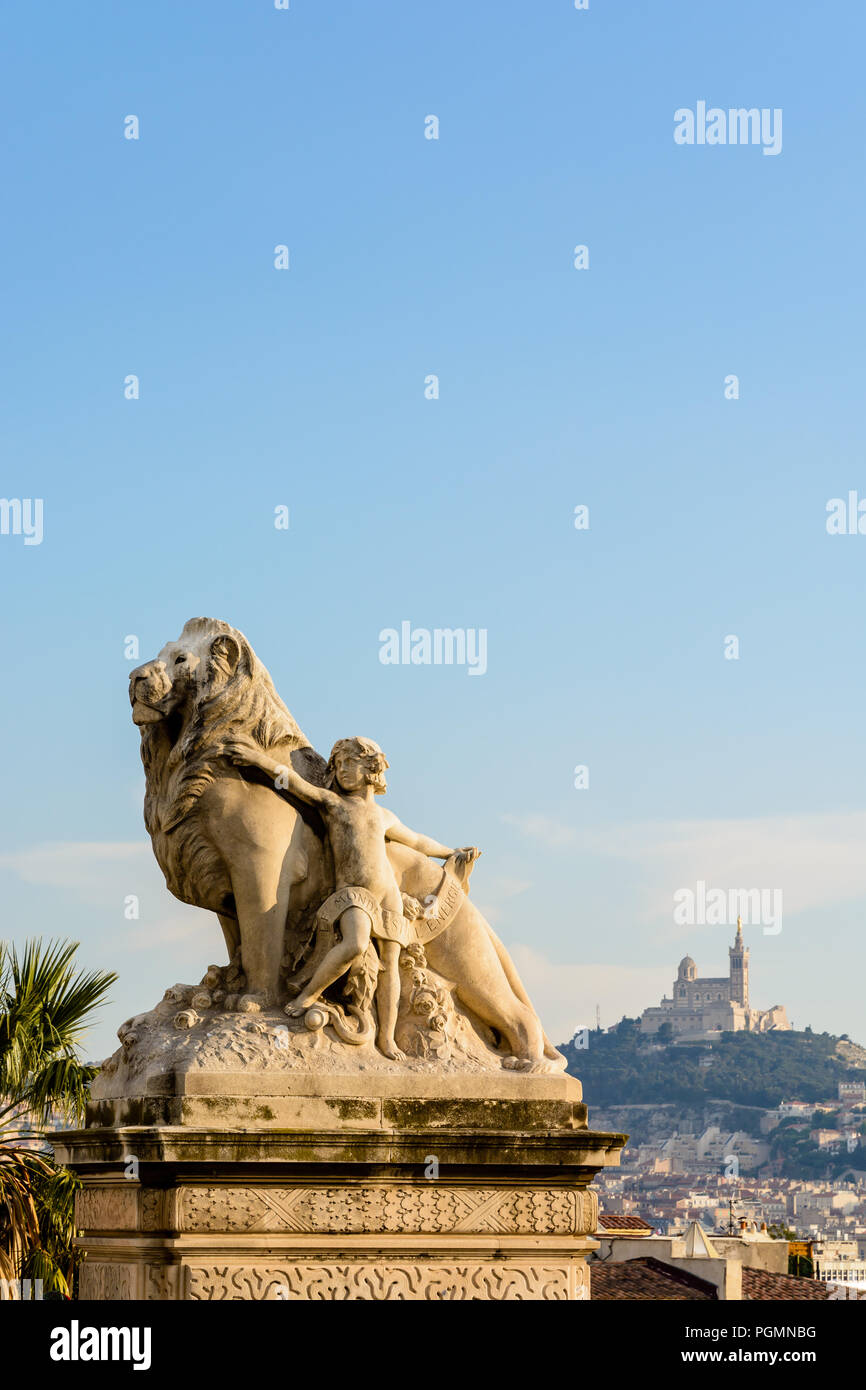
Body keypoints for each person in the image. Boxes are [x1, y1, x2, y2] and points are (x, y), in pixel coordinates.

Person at [216, 733, 479, 1060]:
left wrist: (449, 851)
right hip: (353, 895)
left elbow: (417, 841)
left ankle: (386, 1039)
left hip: (388, 896)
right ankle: (307, 997)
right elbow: (296, 783)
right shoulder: (333, 804)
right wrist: (258, 760)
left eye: (350, 763)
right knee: (354, 944)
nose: (342, 770)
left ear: (371, 768)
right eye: (338, 764)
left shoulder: (384, 817)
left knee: (391, 967)